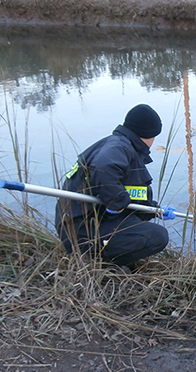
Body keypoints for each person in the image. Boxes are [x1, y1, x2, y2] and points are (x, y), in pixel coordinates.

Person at [54, 104, 175, 267]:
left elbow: (130, 195)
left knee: (145, 228)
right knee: (157, 236)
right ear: (150, 134)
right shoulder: (118, 147)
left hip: (85, 225)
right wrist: (117, 204)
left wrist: (154, 210)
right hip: (82, 231)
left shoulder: (120, 145)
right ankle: (99, 263)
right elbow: (104, 167)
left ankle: (103, 255)